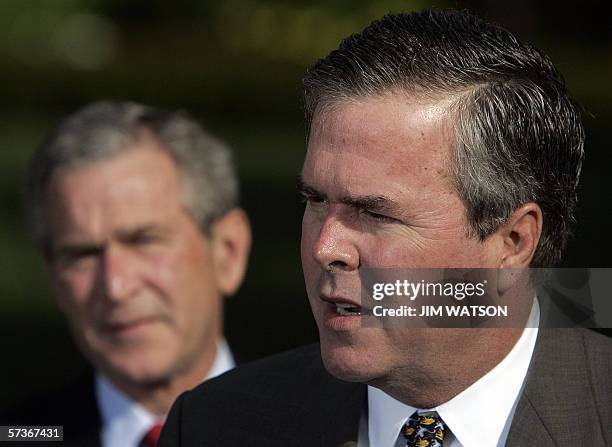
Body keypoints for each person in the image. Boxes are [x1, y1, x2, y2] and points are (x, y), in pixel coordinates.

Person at [158, 9, 612, 447]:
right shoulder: (215, 425)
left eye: (375, 214)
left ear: (513, 243)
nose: (325, 247)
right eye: (315, 199)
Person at [4, 101, 251, 447]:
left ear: (228, 251)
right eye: (82, 255)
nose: (116, 286)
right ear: (54, 278)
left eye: (144, 241)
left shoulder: (328, 430)